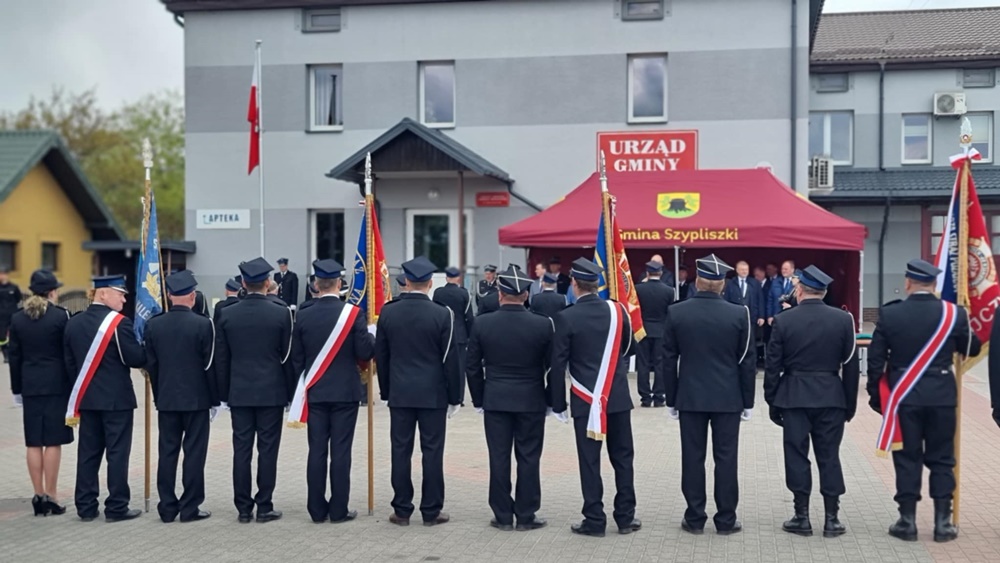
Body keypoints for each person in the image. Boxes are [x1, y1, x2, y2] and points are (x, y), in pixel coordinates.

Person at [866, 259, 980, 543]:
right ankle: (943, 524)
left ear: (908, 283)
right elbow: (972, 348)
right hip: (942, 396)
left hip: (904, 397)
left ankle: (907, 522)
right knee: (943, 458)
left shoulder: (890, 314)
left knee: (907, 457)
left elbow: (875, 361)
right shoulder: (953, 314)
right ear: (933, 285)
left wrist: (876, 397)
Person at [662, 254, 755, 535]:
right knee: (726, 459)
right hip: (728, 397)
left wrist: (671, 398)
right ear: (723, 285)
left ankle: (694, 518)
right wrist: (748, 402)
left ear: (698, 282)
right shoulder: (739, 313)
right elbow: (746, 361)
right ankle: (726, 519)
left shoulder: (677, 312)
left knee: (693, 457)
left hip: (690, 396)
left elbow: (668, 359)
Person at [764, 265, 859, 538]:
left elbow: (772, 366)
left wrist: (773, 400)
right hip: (831, 396)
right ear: (824, 292)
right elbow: (851, 366)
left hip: (794, 396)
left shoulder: (784, 320)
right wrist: (849, 404)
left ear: (799, 290)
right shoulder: (843, 320)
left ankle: (801, 516)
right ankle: (832, 519)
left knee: (796, 455)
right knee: (829, 456)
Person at [551, 258, 640, 537]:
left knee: (589, 461)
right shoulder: (618, 311)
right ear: (597, 285)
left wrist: (558, 404)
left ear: (574, 284)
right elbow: (630, 348)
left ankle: (594, 519)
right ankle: (625, 518)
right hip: (617, 397)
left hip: (585, 399)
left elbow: (558, 364)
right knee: (623, 458)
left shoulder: (565, 317)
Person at [466, 266, 559, 532]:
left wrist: (479, 399)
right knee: (529, 457)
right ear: (527, 295)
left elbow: (472, 366)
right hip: (531, 398)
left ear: (499, 294)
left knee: (498, 456)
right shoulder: (543, 324)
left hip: (495, 398)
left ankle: (503, 515)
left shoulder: (482, 323)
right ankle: (526, 514)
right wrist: (551, 400)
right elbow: (553, 367)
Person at [376, 256, 461, 526]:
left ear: (407, 282)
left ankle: (402, 509)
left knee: (400, 451)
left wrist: (386, 391)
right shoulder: (442, 313)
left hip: (400, 392)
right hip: (433, 394)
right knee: (432, 452)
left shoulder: (388, 312)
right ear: (430, 283)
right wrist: (455, 397)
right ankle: (431, 510)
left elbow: (382, 356)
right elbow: (450, 359)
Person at [290, 259, 375, 523]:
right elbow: (365, 352)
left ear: (316, 284)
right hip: (345, 393)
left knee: (316, 451)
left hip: (314, 391)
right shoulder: (353, 313)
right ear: (339, 284)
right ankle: (339, 510)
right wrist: (371, 335)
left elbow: (297, 358)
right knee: (341, 451)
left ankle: (316, 510)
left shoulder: (303, 314)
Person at [215, 257, 295, 524]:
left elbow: (222, 358)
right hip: (271, 391)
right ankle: (264, 505)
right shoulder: (281, 312)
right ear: (267, 282)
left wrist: (224, 393)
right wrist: (290, 393)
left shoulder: (227, 313)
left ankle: (242, 508)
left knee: (242, 450)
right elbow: (287, 357)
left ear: (243, 283)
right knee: (268, 450)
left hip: (239, 391)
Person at [63, 274, 146, 522]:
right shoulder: (119, 324)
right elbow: (134, 358)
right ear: (103, 293)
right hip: (117, 401)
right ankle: (117, 506)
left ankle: (85, 506)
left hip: (87, 399)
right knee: (117, 453)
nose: (124, 299)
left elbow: (69, 363)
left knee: (88, 453)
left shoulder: (74, 323)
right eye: (120, 294)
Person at [144, 270, 218, 523]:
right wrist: (214, 399)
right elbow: (209, 365)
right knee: (194, 453)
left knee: (167, 452)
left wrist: (158, 394)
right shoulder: (203, 324)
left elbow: (151, 366)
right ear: (193, 296)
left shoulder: (153, 324)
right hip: (197, 399)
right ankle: (190, 507)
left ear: (168, 295)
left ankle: (166, 507)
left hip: (166, 398)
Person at [8, 269, 72, 516]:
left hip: (30, 385)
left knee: (33, 441)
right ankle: (52, 495)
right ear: (52, 292)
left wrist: (17, 389)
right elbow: (67, 354)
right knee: (53, 441)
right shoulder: (60, 316)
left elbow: (14, 357)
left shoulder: (17, 319)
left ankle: (37, 495)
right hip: (56, 385)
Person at [634, 261, 674, 407]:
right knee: (660, 364)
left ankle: (645, 397)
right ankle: (659, 396)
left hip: (642, 330)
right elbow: (669, 312)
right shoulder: (669, 291)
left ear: (647, 273)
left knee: (643, 364)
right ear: (661, 273)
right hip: (661, 330)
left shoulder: (638, 289)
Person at [433, 267, 474, 406]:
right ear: (458, 278)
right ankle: (459, 397)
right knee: (459, 368)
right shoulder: (464, 293)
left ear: (446, 278)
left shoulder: (438, 292)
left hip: (441, 333)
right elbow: (469, 317)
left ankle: (443, 393)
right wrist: (470, 336)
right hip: (459, 334)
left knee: (442, 364)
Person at [724, 261, 764, 330]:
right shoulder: (731, 283)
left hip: (751, 317)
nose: (744, 272)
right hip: (735, 317)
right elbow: (726, 299)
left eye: (746, 270)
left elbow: (760, 300)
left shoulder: (755, 283)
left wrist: (761, 316)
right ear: (737, 270)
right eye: (742, 270)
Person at [0, 265, 23, 363]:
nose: (2, 276)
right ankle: (5, 354)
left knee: (13, 334)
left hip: (12, 315)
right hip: (1, 317)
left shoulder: (13, 287)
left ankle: (12, 353)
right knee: (2, 337)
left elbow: (18, 298)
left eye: (3, 274)